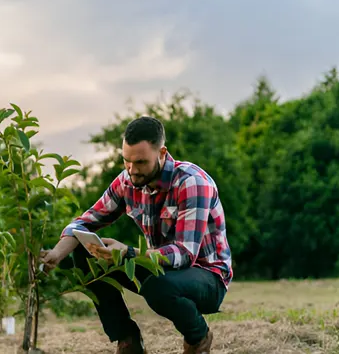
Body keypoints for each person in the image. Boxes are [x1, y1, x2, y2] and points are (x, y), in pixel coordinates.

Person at [40, 116, 232, 354]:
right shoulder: (127, 182)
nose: (132, 169)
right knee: (82, 250)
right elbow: (84, 224)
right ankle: (127, 339)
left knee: (159, 287)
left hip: (207, 277)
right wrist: (56, 254)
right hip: (159, 269)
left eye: (141, 162)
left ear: (162, 153)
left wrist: (129, 253)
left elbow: (184, 254)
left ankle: (198, 338)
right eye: (126, 161)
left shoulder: (192, 183)